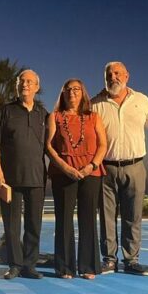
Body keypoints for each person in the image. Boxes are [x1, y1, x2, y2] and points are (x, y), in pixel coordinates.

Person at [91, 62, 148, 276]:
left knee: (133, 216)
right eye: (108, 74)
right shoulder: (95, 104)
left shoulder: (142, 101)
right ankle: (109, 259)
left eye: (117, 73)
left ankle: (131, 260)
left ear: (127, 75)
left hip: (135, 166)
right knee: (107, 217)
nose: (113, 77)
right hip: (105, 167)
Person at [0, 69, 49, 279]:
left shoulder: (43, 115)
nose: (25, 84)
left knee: (34, 224)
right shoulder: (5, 111)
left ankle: (29, 265)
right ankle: (15, 265)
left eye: (30, 81)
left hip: (37, 178)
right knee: (12, 225)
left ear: (37, 87)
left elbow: (51, 146)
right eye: (21, 81)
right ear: (17, 85)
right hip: (10, 180)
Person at [46, 79, 107, 280]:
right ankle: (65, 267)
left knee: (88, 218)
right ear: (62, 94)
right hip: (63, 173)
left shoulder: (94, 117)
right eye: (68, 90)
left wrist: (92, 166)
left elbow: (102, 145)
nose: (72, 93)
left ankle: (88, 266)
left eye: (76, 89)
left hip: (91, 172)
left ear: (83, 93)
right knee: (63, 219)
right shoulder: (54, 117)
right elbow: (49, 146)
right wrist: (65, 167)